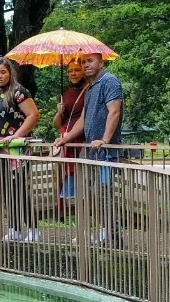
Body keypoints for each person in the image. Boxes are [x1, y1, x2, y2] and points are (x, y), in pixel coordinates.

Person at [52, 52, 124, 246]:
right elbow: (83, 120)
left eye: (90, 61)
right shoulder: (90, 87)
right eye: (83, 62)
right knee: (92, 194)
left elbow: (114, 111)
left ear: (101, 62)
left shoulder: (110, 81)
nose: (86, 65)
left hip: (105, 152)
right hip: (90, 150)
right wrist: (66, 138)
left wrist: (105, 139)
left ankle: (115, 238)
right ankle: (108, 234)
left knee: (104, 193)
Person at [0, 56, 40, 241]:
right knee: (4, 189)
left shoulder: (19, 92)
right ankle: (14, 228)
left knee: (18, 188)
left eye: (3, 72)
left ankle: (33, 229)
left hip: (15, 150)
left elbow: (33, 115)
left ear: (10, 73)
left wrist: (17, 135)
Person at [52, 58, 86, 217]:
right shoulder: (65, 93)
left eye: (76, 70)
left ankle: (86, 224)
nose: (73, 73)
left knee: (83, 185)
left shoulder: (89, 90)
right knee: (66, 181)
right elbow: (57, 123)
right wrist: (59, 111)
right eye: (70, 70)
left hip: (81, 142)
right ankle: (70, 216)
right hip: (66, 141)